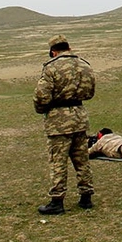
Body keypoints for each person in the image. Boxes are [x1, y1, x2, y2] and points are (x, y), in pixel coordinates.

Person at [33, 35, 96, 215]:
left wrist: (43, 109)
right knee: (82, 159)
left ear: (53, 51)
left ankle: (57, 201)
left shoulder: (51, 68)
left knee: (58, 162)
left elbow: (41, 97)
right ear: (69, 47)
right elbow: (90, 92)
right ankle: (86, 197)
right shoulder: (85, 65)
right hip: (80, 117)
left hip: (58, 121)